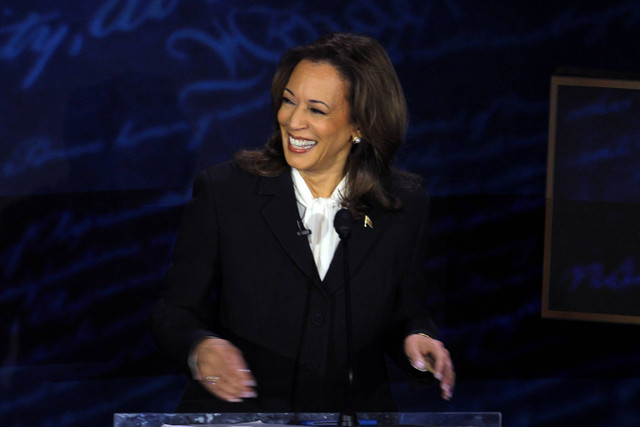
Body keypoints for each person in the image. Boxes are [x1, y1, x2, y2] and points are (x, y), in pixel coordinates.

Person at [149, 32, 455, 413]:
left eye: (316, 109)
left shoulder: (402, 205)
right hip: (243, 417)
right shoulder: (226, 192)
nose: (293, 121)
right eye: (289, 101)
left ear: (360, 124)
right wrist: (200, 349)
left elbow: (405, 311)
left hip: (352, 415)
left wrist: (417, 338)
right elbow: (174, 311)